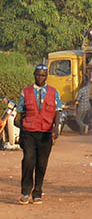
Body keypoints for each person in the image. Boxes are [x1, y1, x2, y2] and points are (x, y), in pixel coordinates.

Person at [16, 65, 62, 205]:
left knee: (42, 163)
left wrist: (56, 128)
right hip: (29, 132)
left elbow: (58, 111)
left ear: (47, 76)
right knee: (29, 160)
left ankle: (37, 192)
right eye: (38, 75)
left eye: (43, 75)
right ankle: (25, 191)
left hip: (45, 133)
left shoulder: (54, 92)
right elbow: (20, 110)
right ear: (34, 75)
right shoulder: (26, 91)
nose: (40, 78)